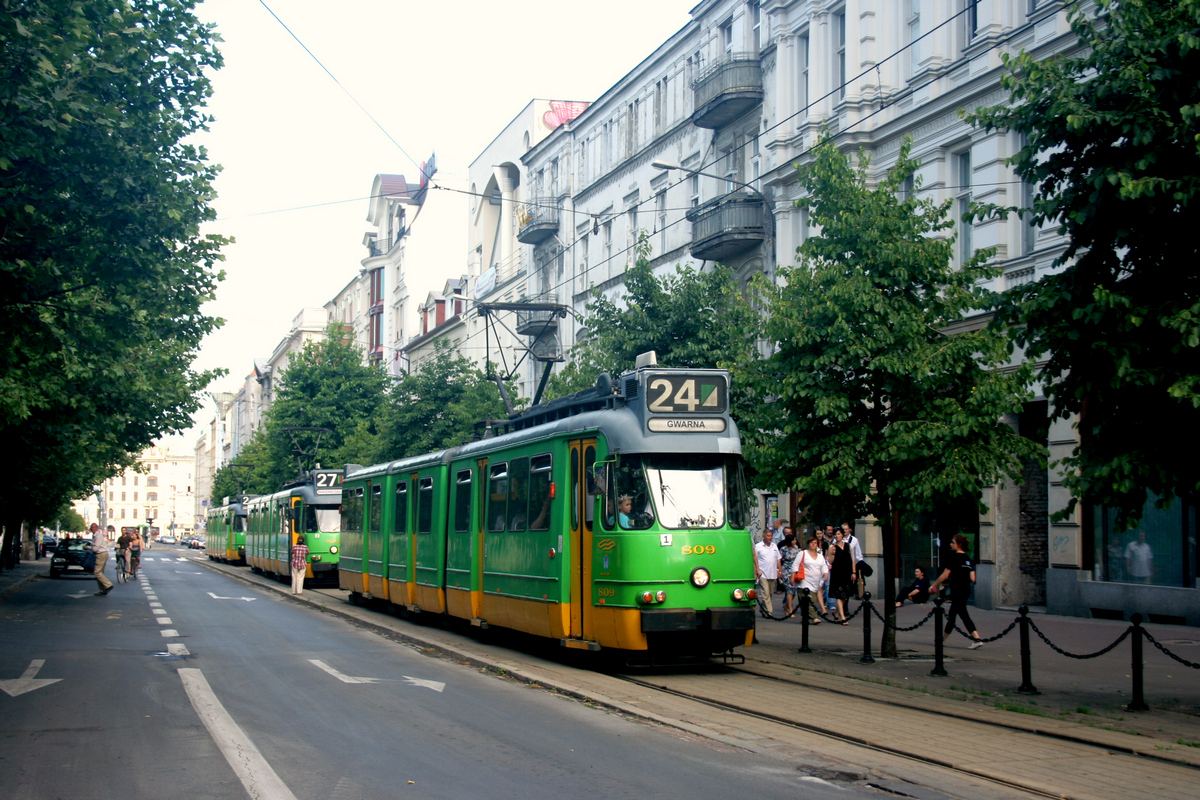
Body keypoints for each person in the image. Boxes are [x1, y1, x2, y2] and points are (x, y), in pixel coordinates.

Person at [929, 534, 984, 649]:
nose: (950, 544)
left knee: (963, 614)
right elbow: (973, 578)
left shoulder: (954, 558)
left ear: (959, 545)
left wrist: (934, 585)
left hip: (957, 589)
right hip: (966, 590)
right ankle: (942, 640)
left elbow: (945, 575)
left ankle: (977, 638)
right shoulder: (968, 560)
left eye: (952, 542)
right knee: (952, 615)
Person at [794, 536, 829, 623]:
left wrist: (826, 574)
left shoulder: (820, 556)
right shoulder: (803, 553)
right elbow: (795, 565)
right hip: (804, 581)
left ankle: (805, 617)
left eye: (815, 543)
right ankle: (814, 617)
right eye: (811, 542)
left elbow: (824, 566)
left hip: (815, 581)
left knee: (813, 600)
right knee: (808, 599)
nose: (813, 544)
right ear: (808, 544)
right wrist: (792, 576)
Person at [827, 528, 856, 624]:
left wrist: (854, 572)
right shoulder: (832, 546)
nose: (837, 536)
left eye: (839, 534)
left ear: (842, 535)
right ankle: (843, 617)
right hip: (837, 572)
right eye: (835, 534)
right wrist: (833, 553)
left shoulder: (848, 546)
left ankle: (836, 614)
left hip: (847, 572)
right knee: (839, 595)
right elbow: (830, 561)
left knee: (845, 596)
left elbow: (852, 559)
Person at [753, 528, 782, 617]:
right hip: (762, 573)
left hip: (773, 573)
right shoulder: (758, 546)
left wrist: (780, 570)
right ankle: (769, 612)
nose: (770, 538)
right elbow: (754, 559)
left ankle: (763, 609)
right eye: (768, 536)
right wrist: (756, 571)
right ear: (764, 536)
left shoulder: (774, 546)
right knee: (765, 593)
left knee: (770, 593)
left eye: (771, 536)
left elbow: (778, 559)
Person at [778, 529, 800, 616]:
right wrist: (780, 570)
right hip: (786, 570)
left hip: (794, 570)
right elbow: (779, 559)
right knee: (789, 589)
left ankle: (786, 605)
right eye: (794, 540)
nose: (795, 541)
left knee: (794, 590)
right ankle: (790, 609)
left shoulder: (796, 548)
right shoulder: (783, 549)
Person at [90, 523, 112, 596]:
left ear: (97, 528)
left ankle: (108, 585)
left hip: (101, 554)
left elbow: (95, 548)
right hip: (102, 553)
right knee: (100, 573)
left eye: (94, 527)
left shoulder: (98, 536)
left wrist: (90, 548)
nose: (92, 529)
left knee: (97, 572)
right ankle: (102, 590)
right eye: (91, 527)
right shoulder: (95, 535)